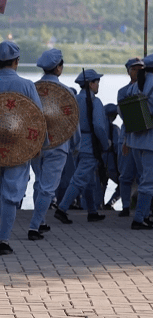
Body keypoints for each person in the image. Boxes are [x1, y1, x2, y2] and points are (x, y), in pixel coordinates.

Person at [0, 41, 44, 255]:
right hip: (19, 146)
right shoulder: (27, 85)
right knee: (11, 194)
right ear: (16, 62)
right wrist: (38, 144)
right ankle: (5, 239)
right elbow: (38, 118)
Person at [27, 49, 78, 241]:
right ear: (59, 68)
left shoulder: (31, 89)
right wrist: (75, 145)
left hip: (35, 145)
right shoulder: (68, 92)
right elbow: (73, 124)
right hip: (58, 146)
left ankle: (39, 222)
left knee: (39, 184)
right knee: (48, 188)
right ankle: (34, 226)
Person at [53, 69, 112, 226]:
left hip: (76, 144)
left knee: (88, 181)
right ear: (91, 84)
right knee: (79, 179)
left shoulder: (74, 100)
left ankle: (92, 211)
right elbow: (99, 127)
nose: (98, 84)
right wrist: (106, 144)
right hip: (90, 145)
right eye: (97, 82)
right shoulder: (95, 102)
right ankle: (62, 209)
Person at [122, 54, 153, 229]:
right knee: (148, 182)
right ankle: (139, 218)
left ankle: (145, 214)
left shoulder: (134, 86)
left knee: (144, 180)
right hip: (150, 140)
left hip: (136, 141)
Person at [117, 58, 144, 219]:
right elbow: (127, 116)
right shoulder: (124, 91)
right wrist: (126, 139)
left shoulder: (146, 88)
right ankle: (125, 206)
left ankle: (142, 208)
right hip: (128, 136)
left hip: (143, 139)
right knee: (125, 175)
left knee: (144, 175)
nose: (138, 71)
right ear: (128, 71)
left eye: (141, 68)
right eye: (134, 69)